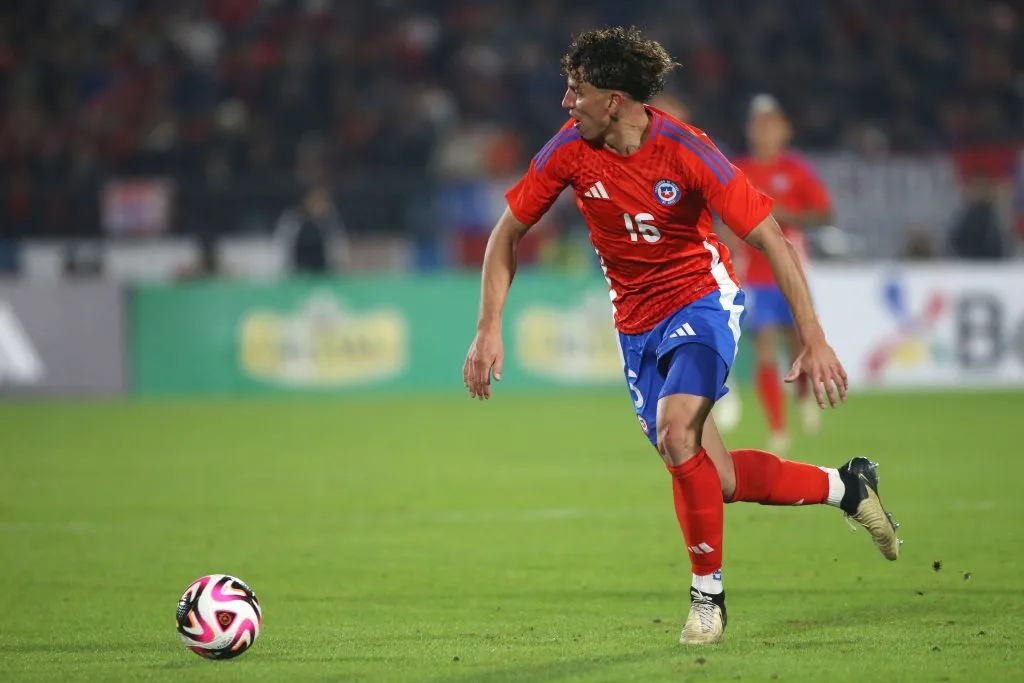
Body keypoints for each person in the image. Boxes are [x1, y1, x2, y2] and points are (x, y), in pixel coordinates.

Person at [462, 27, 901, 645]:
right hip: (635, 324)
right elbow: (506, 233)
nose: (566, 102)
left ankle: (708, 599)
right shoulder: (568, 149)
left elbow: (770, 235)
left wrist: (814, 335)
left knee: (675, 430)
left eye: (576, 90)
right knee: (714, 477)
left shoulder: (687, 150)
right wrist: (488, 329)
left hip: (701, 300)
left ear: (613, 99)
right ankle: (846, 486)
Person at [732, 95, 835, 453]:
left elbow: (824, 214)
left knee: (797, 344)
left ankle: (804, 396)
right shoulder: (739, 169)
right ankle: (778, 429)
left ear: (784, 130)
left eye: (771, 124)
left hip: (791, 271)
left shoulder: (795, 170)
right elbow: (724, 216)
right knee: (764, 350)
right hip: (755, 276)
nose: (764, 131)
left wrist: (788, 217)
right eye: (759, 124)